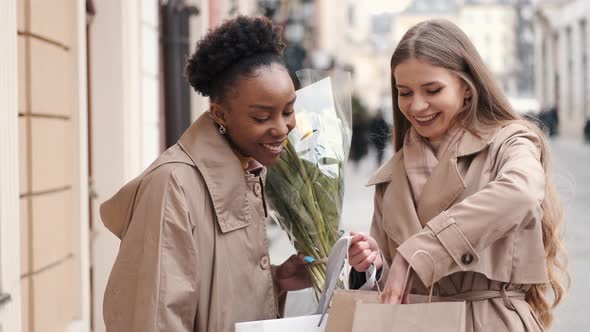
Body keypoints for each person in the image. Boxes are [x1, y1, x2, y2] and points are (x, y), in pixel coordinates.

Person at [348, 19, 568, 331]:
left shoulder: (509, 141)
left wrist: (419, 252)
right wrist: (370, 266)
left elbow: (522, 193)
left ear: (466, 87)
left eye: (432, 89)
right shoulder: (392, 174)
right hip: (415, 323)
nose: (417, 105)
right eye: (404, 92)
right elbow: (390, 287)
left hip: (489, 321)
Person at [100, 16, 311, 332]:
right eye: (262, 116)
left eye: (289, 110)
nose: (282, 128)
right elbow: (154, 320)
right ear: (220, 114)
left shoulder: (247, 169)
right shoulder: (173, 186)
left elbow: (212, 295)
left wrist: (274, 280)